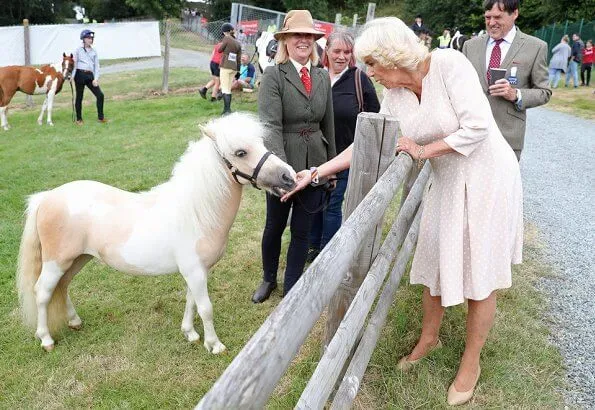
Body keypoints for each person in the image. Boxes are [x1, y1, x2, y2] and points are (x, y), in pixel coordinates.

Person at [283, 16, 523, 406]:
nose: (371, 74)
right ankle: (429, 337)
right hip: (446, 179)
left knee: (480, 271)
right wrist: (314, 172)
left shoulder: (449, 64)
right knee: (432, 258)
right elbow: (363, 144)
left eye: (373, 65)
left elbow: (477, 127)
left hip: (487, 176)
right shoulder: (394, 96)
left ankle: (471, 361)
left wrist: (423, 151)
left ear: (392, 57)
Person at [251, 10, 336, 303]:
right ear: (285, 40)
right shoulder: (274, 75)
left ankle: (291, 288)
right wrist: (283, 171)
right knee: (275, 225)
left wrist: (329, 169)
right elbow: (271, 126)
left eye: (308, 36)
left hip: (315, 163)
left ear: (314, 41)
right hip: (281, 162)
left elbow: (329, 125)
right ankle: (268, 278)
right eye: (297, 35)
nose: (303, 40)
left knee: (302, 230)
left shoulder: (323, 76)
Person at [307, 31, 380, 262]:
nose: (341, 57)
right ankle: (312, 245)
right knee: (314, 200)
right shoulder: (315, 76)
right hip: (315, 152)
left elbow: (374, 115)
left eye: (347, 52)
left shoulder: (359, 79)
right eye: (337, 51)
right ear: (326, 51)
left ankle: (327, 252)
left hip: (344, 154)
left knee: (332, 203)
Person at [462, 0, 551, 161]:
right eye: (488, 17)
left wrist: (515, 94)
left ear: (515, 13)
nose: (491, 23)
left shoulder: (536, 47)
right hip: (470, 136)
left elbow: (544, 92)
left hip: (508, 137)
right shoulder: (470, 46)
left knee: (502, 187)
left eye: (498, 17)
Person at [73, 29, 107, 125]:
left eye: (91, 38)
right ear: (83, 39)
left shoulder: (94, 51)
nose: (90, 40)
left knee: (100, 95)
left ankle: (101, 118)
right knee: (79, 97)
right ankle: (79, 119)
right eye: (88, 38)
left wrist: (96, 79)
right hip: (79, 75)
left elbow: (97, 66)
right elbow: (74, 64)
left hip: (90, 75)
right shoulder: (77, 50)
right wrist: (72, 77)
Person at [218, 23, 242, 115]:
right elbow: (238, 58)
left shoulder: (227, 38)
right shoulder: (237, 42)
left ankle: (226, 110)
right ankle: (227, 109)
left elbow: (220, 50)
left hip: (225, 66)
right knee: (228, 88)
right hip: (234, 68)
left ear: (225, 31)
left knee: (225, 88)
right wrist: (238, 71)